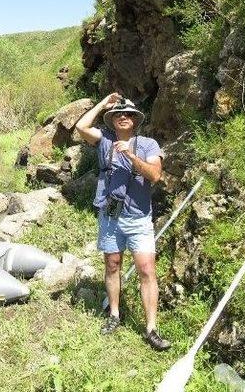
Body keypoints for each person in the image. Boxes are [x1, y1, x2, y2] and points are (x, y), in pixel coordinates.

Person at [75, 92, 171, 351]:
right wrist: (102, 104)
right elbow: (81, 127)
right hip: (110, 217)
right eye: (118, 114)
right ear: (112, 120)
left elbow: (154, 175)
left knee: (147, 270)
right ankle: (114, 315)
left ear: (136, 119)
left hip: (139, 218)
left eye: (128, 114)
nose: (123, 117)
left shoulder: (148, 144)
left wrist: (130, 155)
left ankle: (151, 329)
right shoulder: (104, 140)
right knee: (112, 265)